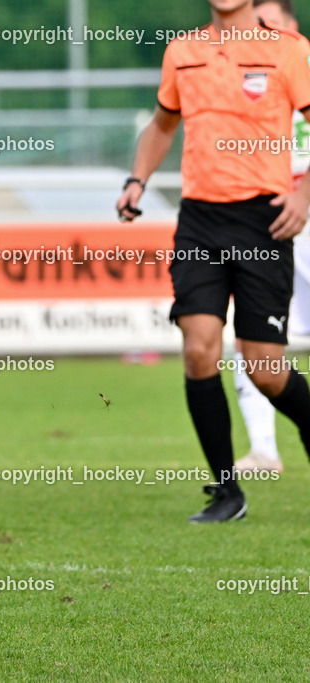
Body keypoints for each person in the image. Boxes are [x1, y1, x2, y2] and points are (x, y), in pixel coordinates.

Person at [117, 0, 310, 522]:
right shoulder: (183, 51)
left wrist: (303, 194)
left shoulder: (290, 51)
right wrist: (137, 181)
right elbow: (162, 124)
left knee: (266, 370)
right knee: (199, 349)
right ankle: (228, 493)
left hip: (265, 221)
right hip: (199, 221)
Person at [233, 0, 310, 474]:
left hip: (303, 205)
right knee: (252, 336)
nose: (262, 34)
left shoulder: (300, 63)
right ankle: (264, 449)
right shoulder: (243, 75)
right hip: (265, 214)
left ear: (292, 26)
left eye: (271, 24)